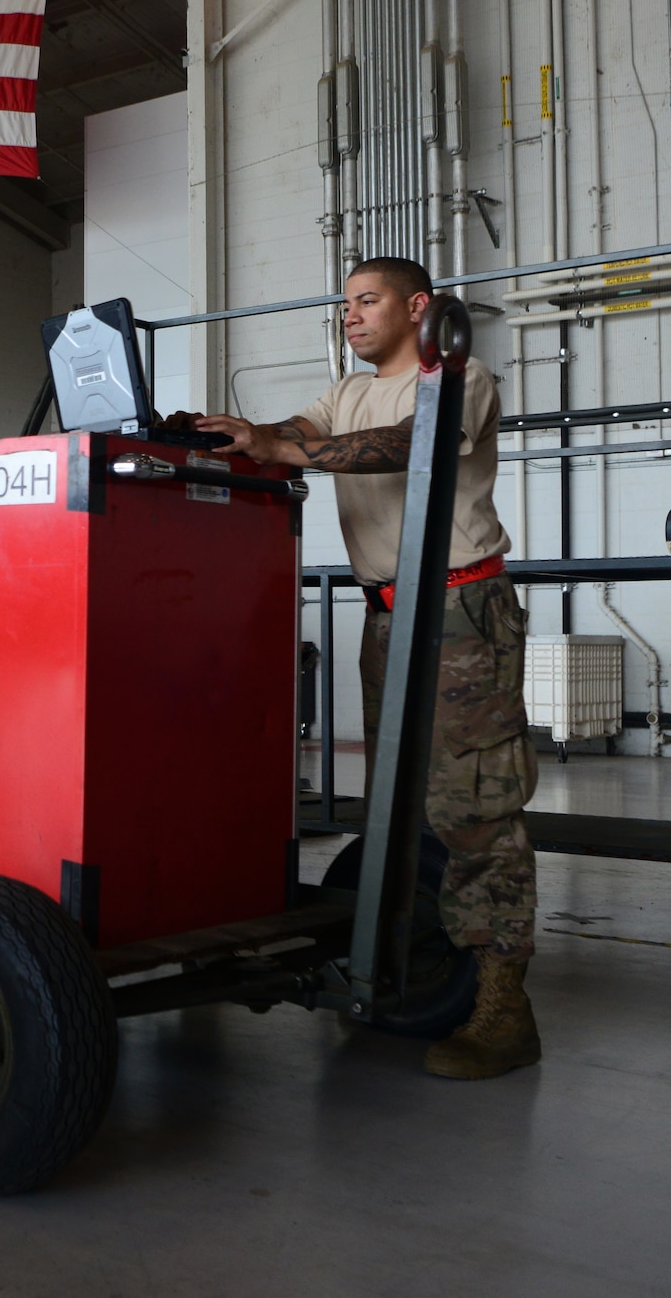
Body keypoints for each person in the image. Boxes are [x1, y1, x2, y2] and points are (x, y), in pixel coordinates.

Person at [191, 256, 541, 1081]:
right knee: (402, 807)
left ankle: (505, 1008)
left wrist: (285, 445)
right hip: (390, 616)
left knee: (475, 809)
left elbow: (405, 444)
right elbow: (296, 436)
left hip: (460, 615)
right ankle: (422, 966)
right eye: (343, 303)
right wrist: (225, 436)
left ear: (417, 307)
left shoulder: (460, 376)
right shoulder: (344, 395)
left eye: (367, 301)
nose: (350, 315)